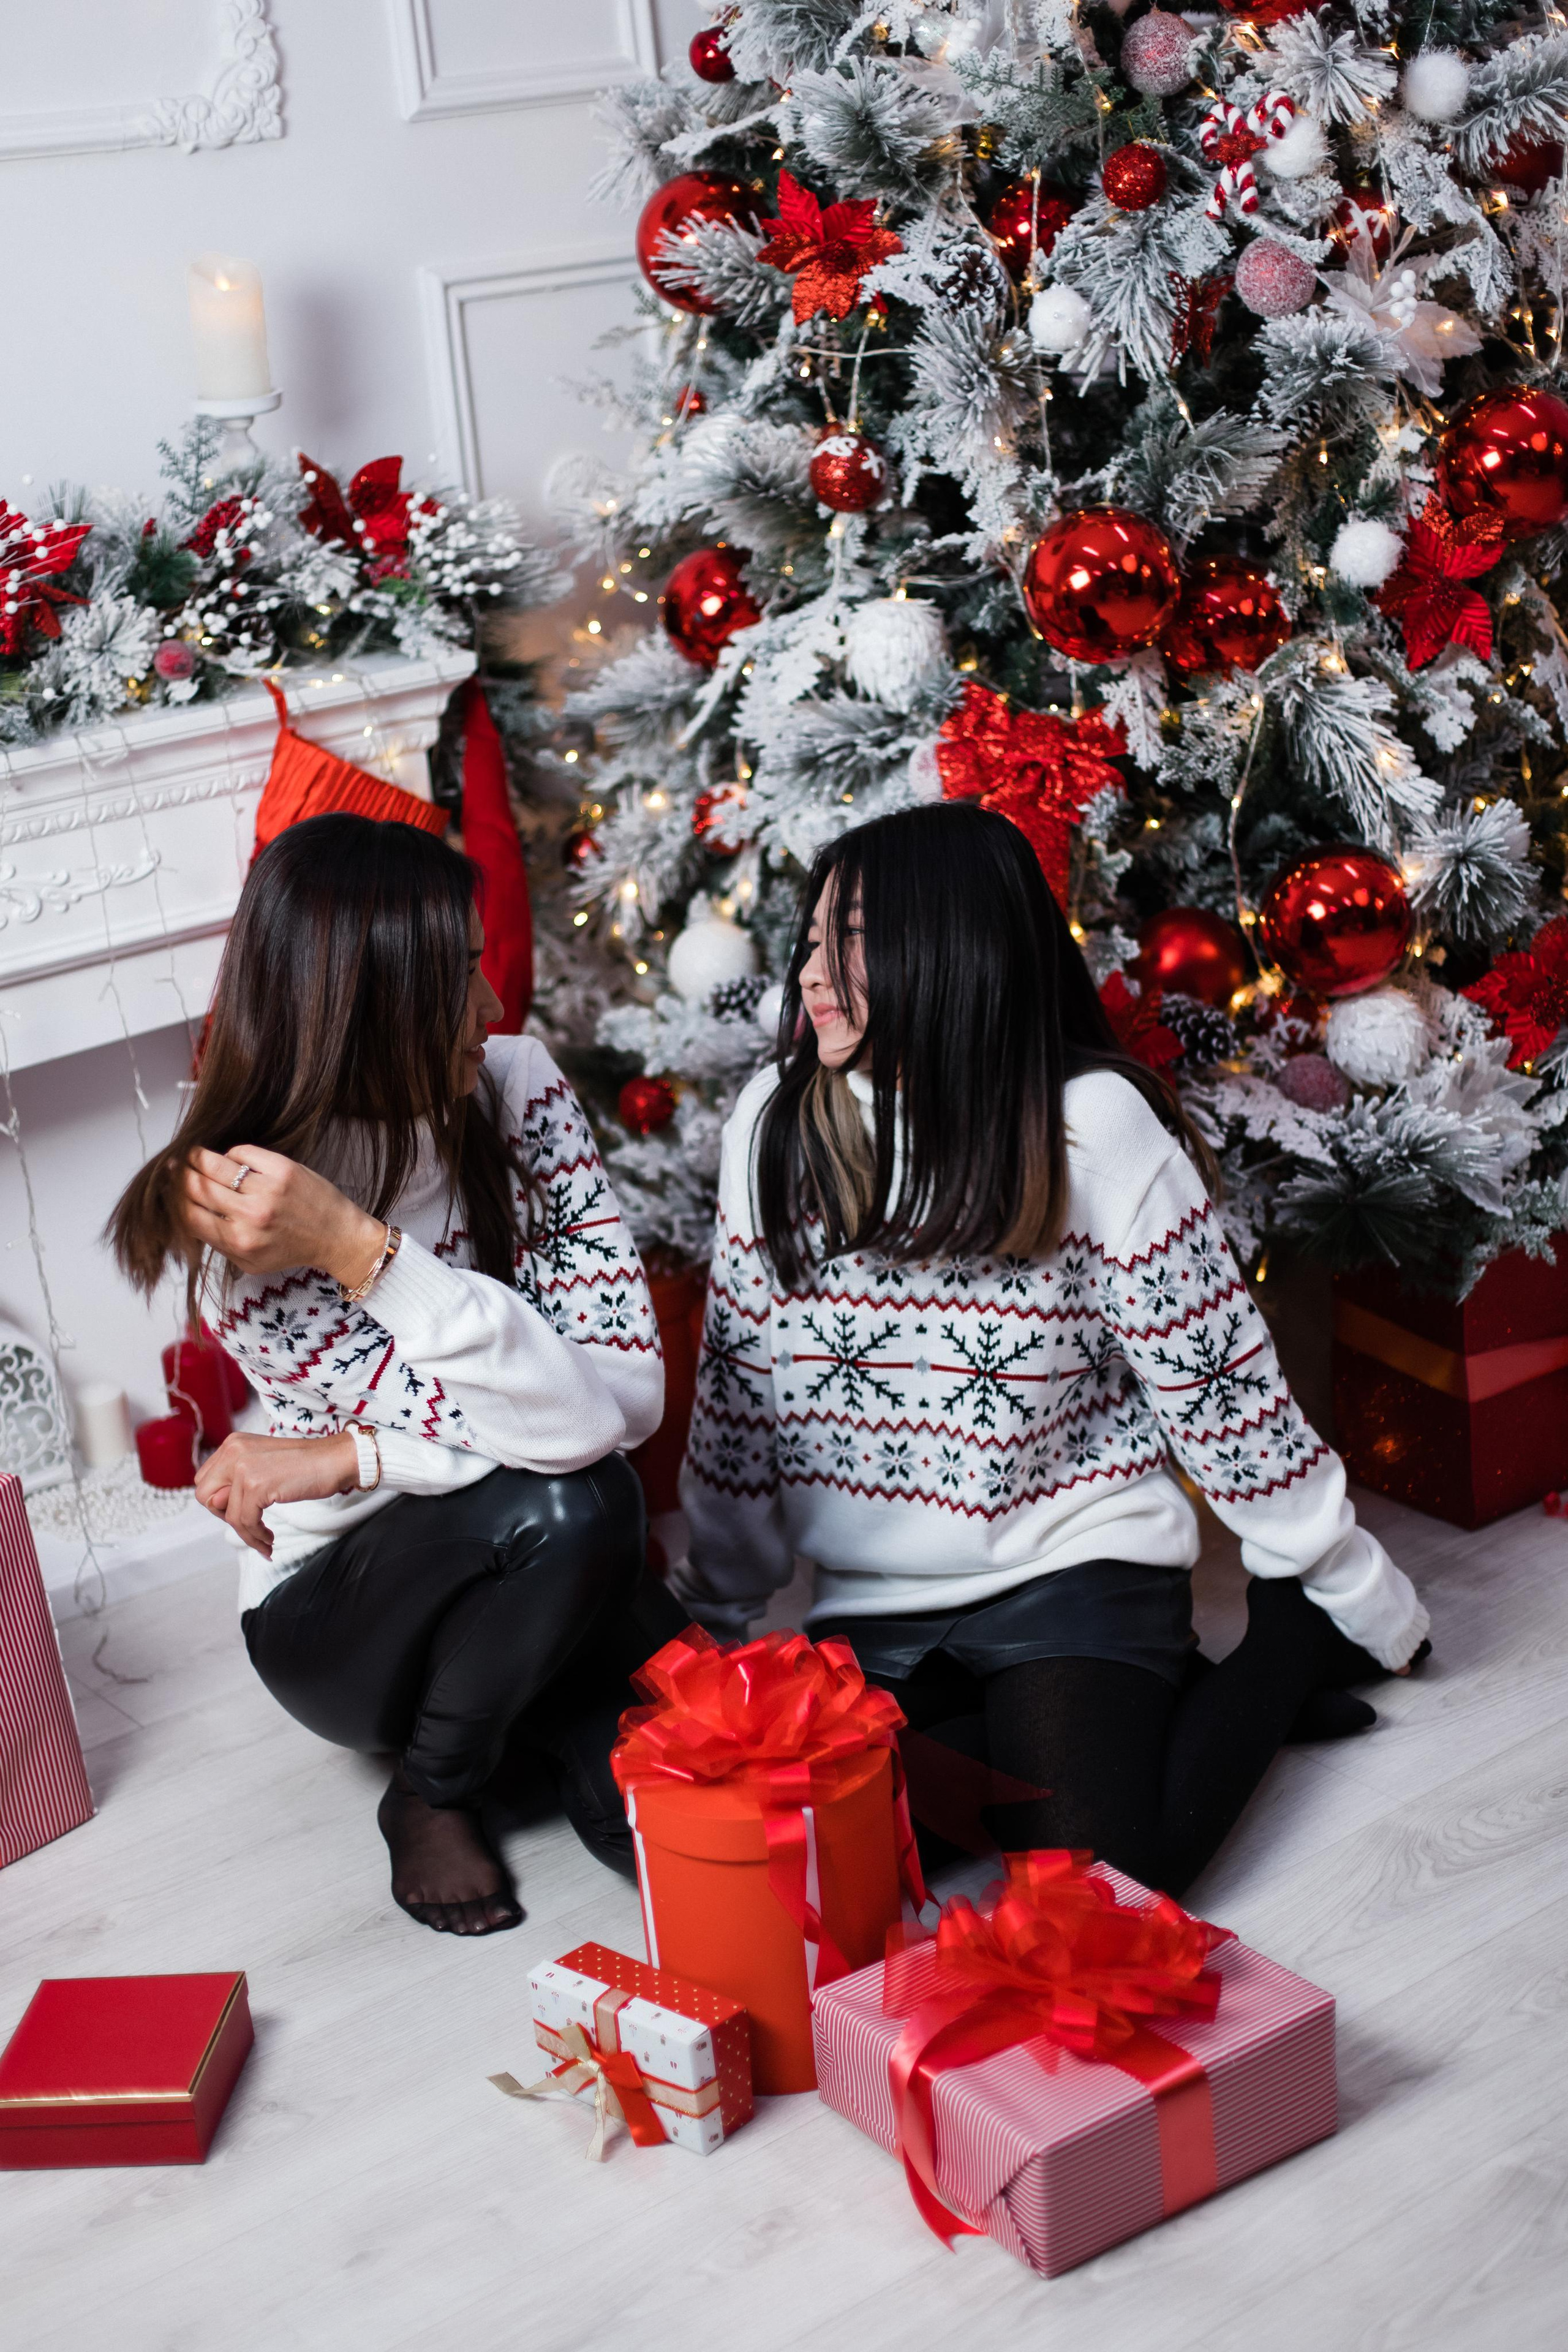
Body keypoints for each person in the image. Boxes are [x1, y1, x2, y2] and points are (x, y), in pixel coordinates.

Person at [674, 802, 1430, 1898]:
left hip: (1075, 1561)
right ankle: (1139, 1718)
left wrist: (1346, 1583)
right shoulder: (772, 1122)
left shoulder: (1092, 1126)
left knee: (1107, 1876)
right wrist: (717, 1615)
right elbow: (738, 1398)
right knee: (823, 1863)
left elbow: (1221, 1394)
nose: (809, 974)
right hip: (875, 1604)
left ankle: (1286, 1644)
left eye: (855, 939)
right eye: (812, 939)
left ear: (955, 947)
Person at [110, 813, 684, 1936]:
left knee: (688, 1757)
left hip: (518, 1550)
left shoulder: (517, 1088)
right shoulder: (255, 1222)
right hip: (339, 1621)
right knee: (580, 1507)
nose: (492, 1008)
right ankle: (432, 1786)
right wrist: (347, 1244)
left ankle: (595, 1754)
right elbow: (571, 1441)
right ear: (369, 1006)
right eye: (458, 977)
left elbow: (624, 1399)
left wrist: (347, 1452)